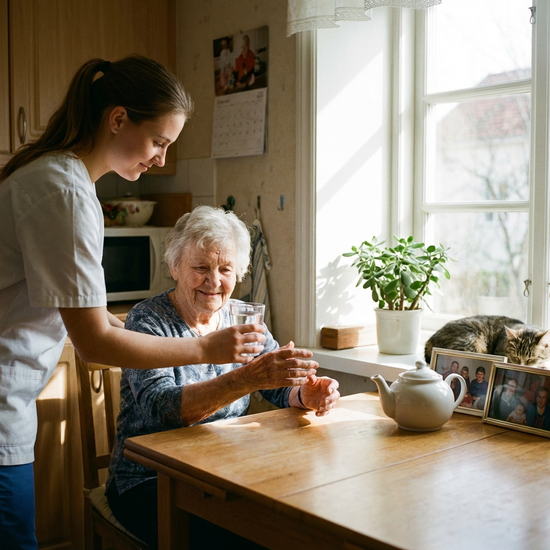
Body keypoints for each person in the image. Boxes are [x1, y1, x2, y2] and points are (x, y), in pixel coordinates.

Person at [0, 55, 266, 550]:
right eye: (159, 142)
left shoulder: (60, 178)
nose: (161, 160)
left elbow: (92, 316)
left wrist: (131, 326)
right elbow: (94, 344)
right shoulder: (65, 191)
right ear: (118, 119)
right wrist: (208, 350)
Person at [105, 206, 341, 549]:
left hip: (225, 470)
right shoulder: (148, 321)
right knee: (237, 539)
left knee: (297, 521)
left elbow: (275, 386)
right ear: (174, 267)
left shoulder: (240, 316)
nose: (213, 281)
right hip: (149, 479)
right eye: (200, 267)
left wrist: (304, 395)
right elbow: (164, 410)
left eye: (225, 269)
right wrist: (247, 379)